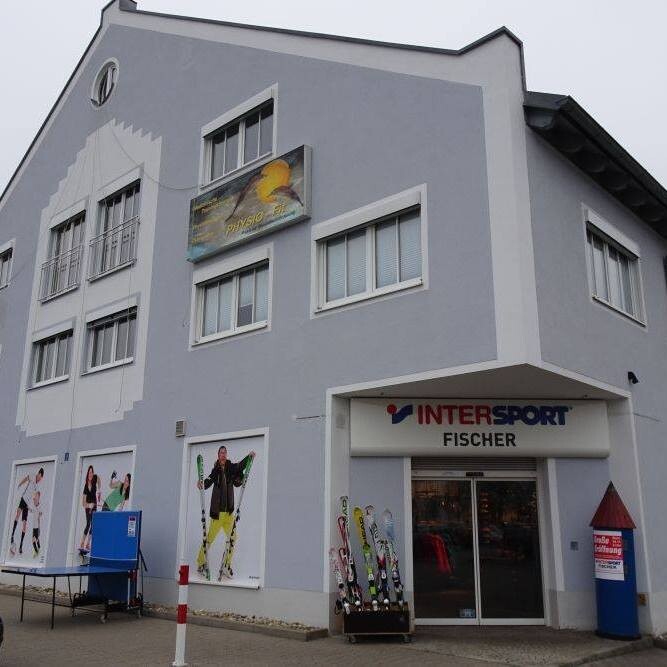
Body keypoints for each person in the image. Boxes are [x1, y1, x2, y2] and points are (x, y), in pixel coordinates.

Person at [196, 446, 254, 577]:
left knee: (233, 538)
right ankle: (201, 563)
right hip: (217, 513)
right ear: (218, 455)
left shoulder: (230, 467)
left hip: (229, 514)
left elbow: (240, 466)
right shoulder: (215, 470)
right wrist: (201, 483)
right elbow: (208, 481)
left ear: (226, 455)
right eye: (221, 453)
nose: (223, 455)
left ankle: (227, 565)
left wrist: (249, 457)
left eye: (224, 453)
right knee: (209, 539)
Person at [9, 468, 43, 556]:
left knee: (24, 525)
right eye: (40, 478)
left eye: (41, 479)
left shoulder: (37, 486)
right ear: (39, 474)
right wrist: (20, 484)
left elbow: (36, 496)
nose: (40, 480)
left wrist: (37, 505)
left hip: (27, 505)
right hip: (23, 500)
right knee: (17, 515)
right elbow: (25, 479)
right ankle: (12, 536)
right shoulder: (32, 475)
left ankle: (20, 546)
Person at [80, 466, 100, 552]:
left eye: (92, 472)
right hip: (88, 506)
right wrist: (89, 505)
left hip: (94, 505)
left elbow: (99, 480)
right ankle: (82, 543)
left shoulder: (95, 478)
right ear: (87, 474)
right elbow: (83, 503)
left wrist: (99, 490)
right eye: (89, 472)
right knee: (88, 524)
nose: (90, 474)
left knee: (93, 524)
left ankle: (88, 544)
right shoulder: (86, 486)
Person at [32, 491, 42, 557]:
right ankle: (38, 549)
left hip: (36, 527)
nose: (35, 497)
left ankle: (37, 551)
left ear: (39, 497)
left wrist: (39, 527)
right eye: (35, 495)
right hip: (34, 527)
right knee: (35, 539)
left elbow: (40, 515)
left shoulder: (39, 507)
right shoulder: (35, 505)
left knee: (34, 539)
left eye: (36, 496)